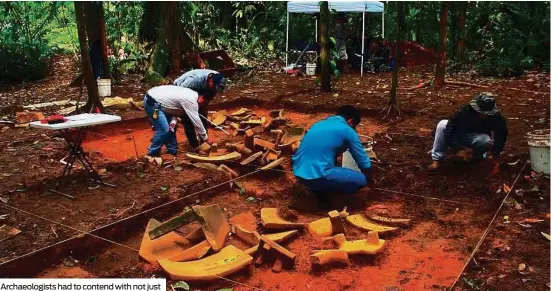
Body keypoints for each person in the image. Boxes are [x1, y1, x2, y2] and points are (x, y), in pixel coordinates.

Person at [292, 105, 372, 197]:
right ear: (351, 122)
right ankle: (334, 198)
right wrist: (370, 183)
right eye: (354, 126)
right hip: (316, 177)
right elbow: (363, 162)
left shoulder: (319, 124)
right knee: (361, 179)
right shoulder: (347, 130)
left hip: (299, 173)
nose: (354, 129)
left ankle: (319, 190)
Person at [428, 93, 508, 171]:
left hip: (477, 137)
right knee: (442, 124)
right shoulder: (464, 110)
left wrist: (494, 154)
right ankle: (437, 159)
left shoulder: (497, 117)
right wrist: (458, 148)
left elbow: (501, 135)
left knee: (485, 140)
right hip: (458, 134)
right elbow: (450, 128)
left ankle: (477, 160)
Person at [143, 85, 213, 157]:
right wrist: (206, 138)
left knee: (171, 128)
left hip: (163, 103)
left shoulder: (193, 95)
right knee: (164, 129)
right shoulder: (191, 101)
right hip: (153, 103)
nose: (202, 106)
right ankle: (152, 154)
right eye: (204, 103)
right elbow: (196, 122)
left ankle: (172, 150)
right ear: (202, 98)